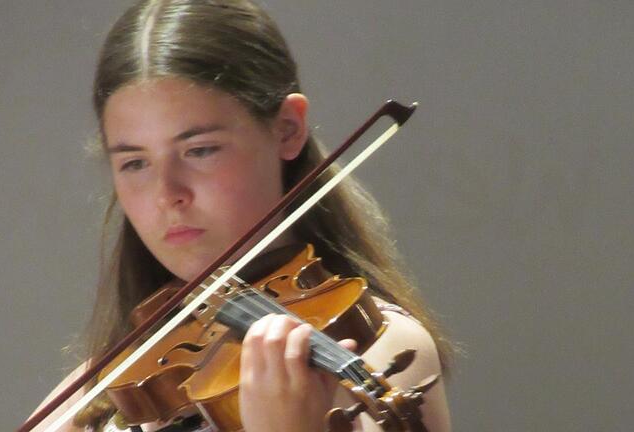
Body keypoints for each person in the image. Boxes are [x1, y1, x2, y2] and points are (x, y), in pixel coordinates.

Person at [32, 0, 453, 430]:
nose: (167, 194)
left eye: (200, 150)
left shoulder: (377, 348)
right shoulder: (121, 378)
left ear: (287, 129)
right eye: (135, 163)